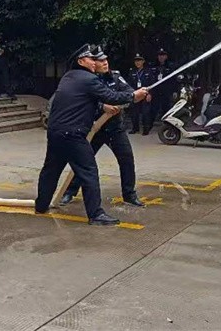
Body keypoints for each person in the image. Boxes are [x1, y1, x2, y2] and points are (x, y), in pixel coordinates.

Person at [34, 44, 149, 226]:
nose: (95, 62)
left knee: (51, 170)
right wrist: (134, 96)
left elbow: (87, 99)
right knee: (88, 171)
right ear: (81, 61)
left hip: (56, 132)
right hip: (73, 134)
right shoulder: (89, 79)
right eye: (91, 59)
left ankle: (41, 205)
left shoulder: (68, 77)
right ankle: (95, 214)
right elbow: (112, 96)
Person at [59, 53, 145, 207]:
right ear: (93, 63)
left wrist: (136, 95)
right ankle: (69, 192)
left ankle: (129, 194)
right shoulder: (88, 80)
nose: (105, 63)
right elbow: (84, 100)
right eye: (100, 61)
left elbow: (128, 92)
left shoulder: (115, 77)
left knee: (127, 160)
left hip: (116, 128)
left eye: (106, 60)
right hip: (95, 128)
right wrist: (102, 106)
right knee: (83, 162)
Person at [126, 53, 153, 135]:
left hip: (145, 94)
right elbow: (129, 84)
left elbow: (152, 83)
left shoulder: (148, 71)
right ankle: (135, 128)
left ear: (143, 61)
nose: (138, 62)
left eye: (139, 60)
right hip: (135, 95)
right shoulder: (132, 71)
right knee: (134, 113)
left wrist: (150, 94)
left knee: (145, 113)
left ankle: (146, 129)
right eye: (136, 61)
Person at [149, 49, 176, 123]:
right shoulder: (153, 66)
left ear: (166, 56)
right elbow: (150, 79)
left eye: (163, 55)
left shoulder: (170, 66)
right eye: (160, 55)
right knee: (154, 108)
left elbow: (173, 80)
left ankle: (167, 124)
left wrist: (174, 91)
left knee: (167, 108)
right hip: (156, 91)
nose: (161, 57)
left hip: (166, 91)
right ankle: (151, 124)